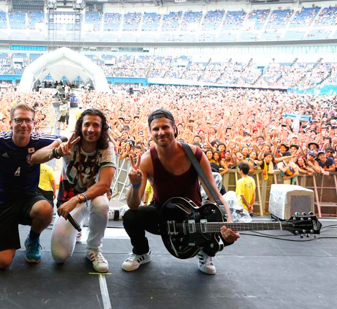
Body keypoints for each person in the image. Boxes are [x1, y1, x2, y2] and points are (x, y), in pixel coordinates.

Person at [121, 109, 239, 275]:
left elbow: (214, 194)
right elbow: (133, 205)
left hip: (194, 215)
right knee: (130, 216)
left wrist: (229, 222)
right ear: (150, 133)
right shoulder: (147, 159)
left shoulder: (195, 154)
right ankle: (141, 252)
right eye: (156, 129)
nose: (161, 132)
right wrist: (134, 186)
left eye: (165, 127)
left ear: (174, 128)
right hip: (162, 215)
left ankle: (206, 253)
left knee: (225, 229)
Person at [31, 108, 116, 273]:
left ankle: (94, 248)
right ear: (80, 126)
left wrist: (76, 199)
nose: (91, 129)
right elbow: (35, 158)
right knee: (59, 256)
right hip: (69, 198)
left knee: (101, 204)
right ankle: (78, 225)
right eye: (87, 124)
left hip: (90, 197)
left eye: (96, 125)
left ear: (102, 129)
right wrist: (57, 151)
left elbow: (104, 185)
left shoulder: (106, 148)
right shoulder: (67, 141)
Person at [0, 103, 57, 270]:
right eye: (19, 120)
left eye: (28, 120)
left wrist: (51, 148)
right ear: (11, 123)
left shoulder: (40, 141)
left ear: (33, 123)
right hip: (1, 201)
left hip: (27, 198)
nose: (24, 124)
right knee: (3, 262)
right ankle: (2, 235)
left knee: (46, 209)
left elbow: (63, 139)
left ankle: (33, 239)